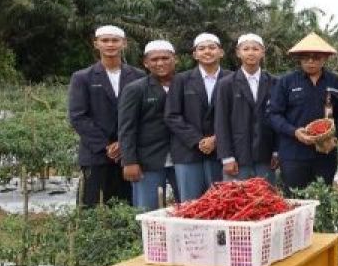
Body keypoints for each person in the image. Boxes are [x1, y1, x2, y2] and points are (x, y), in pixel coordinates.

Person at [68, 25, 145, 206]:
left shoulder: (138, 76)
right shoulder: (82, 77)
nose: (110, 44)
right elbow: (78, 116)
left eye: (115, 40)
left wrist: (124, 143)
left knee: (129, 207)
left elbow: (143, 114)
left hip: (131, 155)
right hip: (96, 155)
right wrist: (106, 145)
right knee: (93, 207)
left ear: (124, 43)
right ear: (96, 44)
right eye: (105, 40)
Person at [268, 33, 338, 192]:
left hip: (325, 154)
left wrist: (334, 135)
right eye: (305, 57)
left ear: (324, 58)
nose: (311, 61)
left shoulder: (334, 81)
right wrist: (294, 132)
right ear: (299, 59)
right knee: (295, 200)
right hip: (293, 154)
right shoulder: (286, 82)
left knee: (322, 201)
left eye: (316, 57)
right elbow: (273, 115)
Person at [164, 33, 231, 201]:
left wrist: (216, 139)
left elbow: (238, 116)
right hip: (188, 152)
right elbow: (172, 115)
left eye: (212, 47)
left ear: (221, 52)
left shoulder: (232, 79)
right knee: (190, 204)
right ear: (195, 54)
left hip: (221, 152)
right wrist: (198, 140)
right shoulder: (181, 79)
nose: (207, 52)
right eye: (202, 48)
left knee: (220, 202)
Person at [117, 40, 175, 209]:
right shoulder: (135, 89)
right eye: (154, 59)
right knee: (147, 210)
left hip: (181, 158)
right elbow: (126, 127)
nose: (160, 63)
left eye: (165, 58)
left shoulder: (184, 84)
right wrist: (129, 161)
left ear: (174, 59)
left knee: (186, 207)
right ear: (146, 63)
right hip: (147, 160)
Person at [214, 33, 277, 183]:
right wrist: (226, 157)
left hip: (265, 155)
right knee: (236, 202)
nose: (250, 53)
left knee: (266, 200)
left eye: (255, 49)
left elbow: (278, 118)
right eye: (246, 49)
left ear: (262, 52)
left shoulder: (275, 82)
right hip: (237, 157)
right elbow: (221, 122)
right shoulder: (226, 84)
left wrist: (277, 151)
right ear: (238, 52)